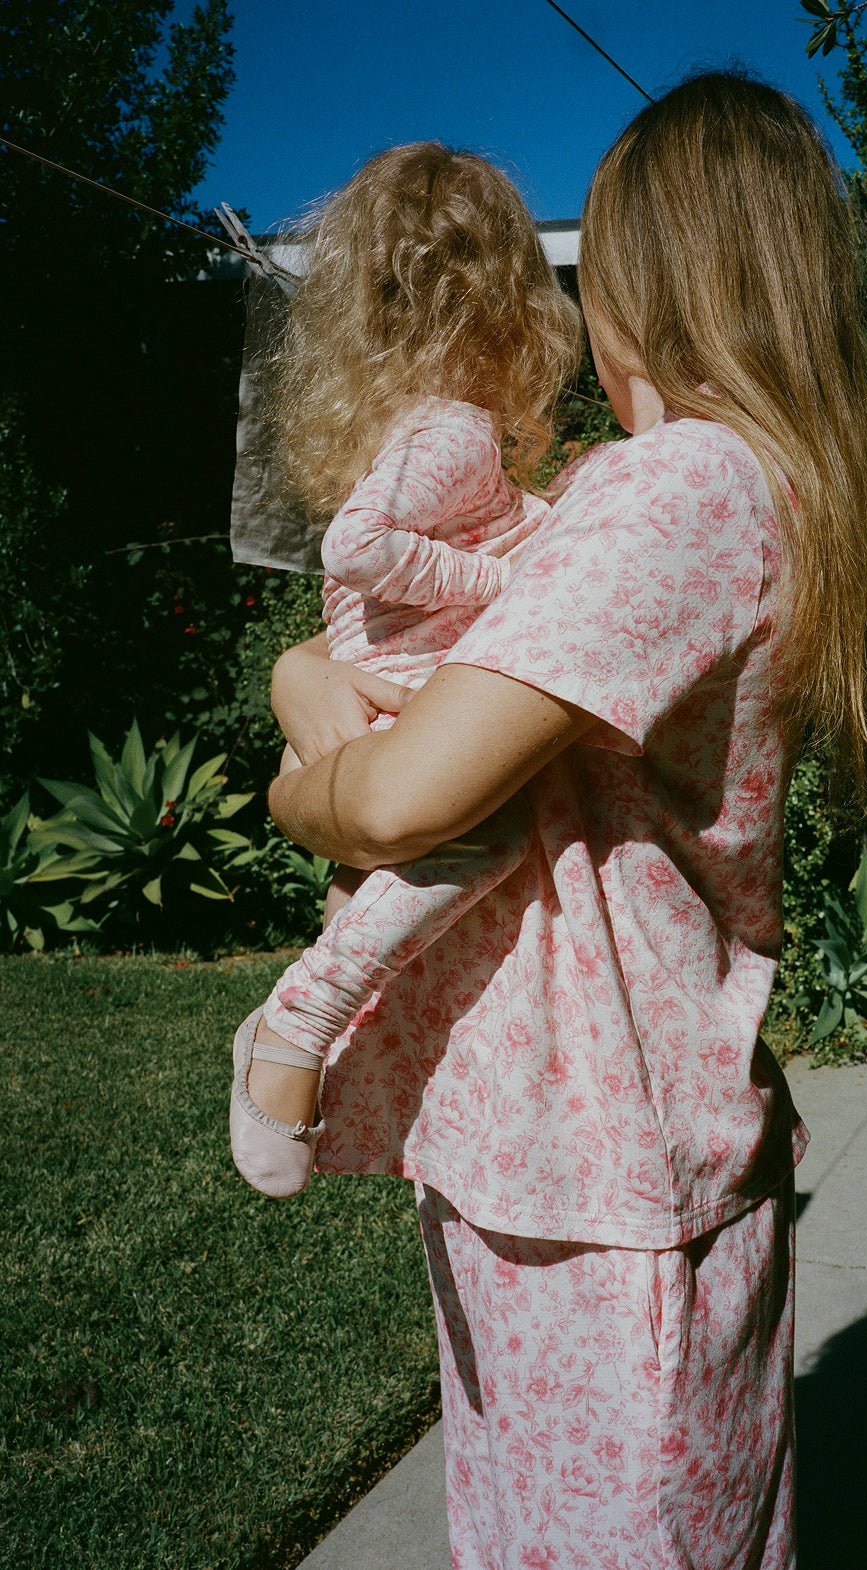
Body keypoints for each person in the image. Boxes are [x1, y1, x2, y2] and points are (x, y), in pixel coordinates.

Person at [260, 72, 867, 1569]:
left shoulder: (677, 486)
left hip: (600, 1168)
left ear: (641, 280)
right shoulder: (753, 491)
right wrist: (316, 671)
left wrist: (304, 748)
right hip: (572, 1147)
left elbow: (405, 792)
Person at [228, 142, 581, 1198]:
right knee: (484, 837)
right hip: (404, 692)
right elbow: (358, 550)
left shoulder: (420, 426)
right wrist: (496, 582)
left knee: (398, 883)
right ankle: (301, 1021)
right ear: (512, 303)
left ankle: (311, 1012)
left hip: (378, 683)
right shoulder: (457, 430)